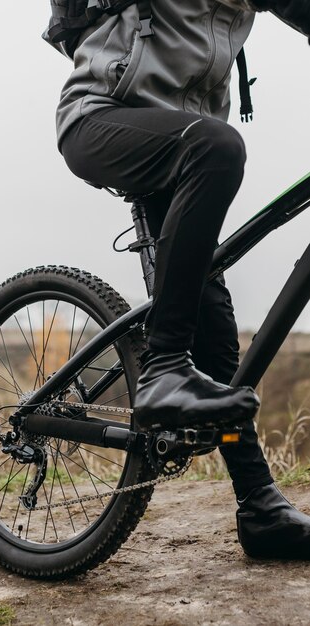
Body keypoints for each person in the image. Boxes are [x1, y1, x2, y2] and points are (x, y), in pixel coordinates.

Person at [53, 0, 310, 558]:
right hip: (100, 118)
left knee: (213, 322)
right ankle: (164, 367)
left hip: (185, 145)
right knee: (218, 146)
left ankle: (260, 505)